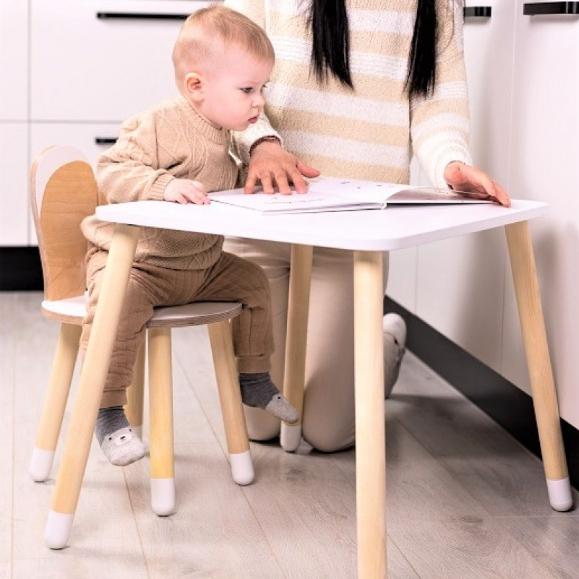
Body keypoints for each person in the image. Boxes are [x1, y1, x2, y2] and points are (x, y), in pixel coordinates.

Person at [224, 0, 511, 452]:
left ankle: (385, 343)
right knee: (256, 424)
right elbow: (221, 65)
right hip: (261, 219)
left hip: (353, 233)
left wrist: (451, 165)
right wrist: (261, 142)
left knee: (325, 431)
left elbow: (438, 102)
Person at [80, 5, 299, 466]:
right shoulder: (161, 123)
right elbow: (112, 170)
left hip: (200, 266)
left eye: (262, 89)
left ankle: (255, 378)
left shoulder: (226, 133)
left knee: (254, 282)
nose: (259, 103)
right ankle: (106, 411)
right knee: (116, 307)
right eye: (248, 90)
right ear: (196, 87)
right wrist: (164, 185)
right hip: (139, 263)